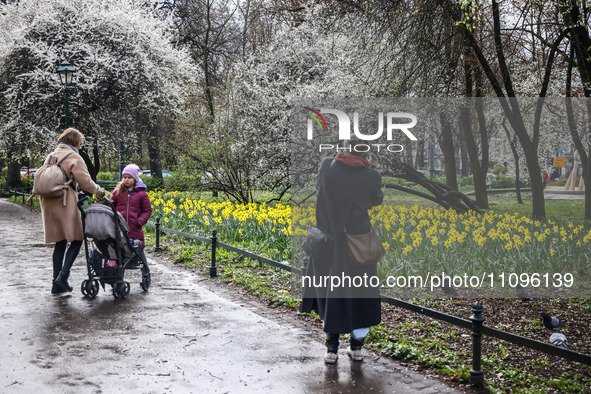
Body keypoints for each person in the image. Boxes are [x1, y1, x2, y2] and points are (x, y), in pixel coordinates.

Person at [301, 138, 383, 364]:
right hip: (358, 243)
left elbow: (320, 192)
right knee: (362, 295)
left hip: (328, 242)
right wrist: (368, 167)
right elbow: (376, 200)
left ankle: (331, 350)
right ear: (366, 153)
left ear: (344, 147)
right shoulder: (371, 175)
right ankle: (356, 349)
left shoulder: (327, 166)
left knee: (331, 292)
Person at [40, 128, 102, 294]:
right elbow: (86, 182)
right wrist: (99, 191)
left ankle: (56, 283)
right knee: (77, 238)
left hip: (48, 202)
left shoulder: (52, 155)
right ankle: (63, 276)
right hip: (65, 201)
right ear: (76, 142)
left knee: (60, 242)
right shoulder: (74, 157)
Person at [111, 164, 152, 285]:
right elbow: (111, 206)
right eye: (124, 177)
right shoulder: (117, 192)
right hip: (119, 229)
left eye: (129, 177)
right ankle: (119, 278)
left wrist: (139, 222)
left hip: (135, 229)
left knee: (139, 252)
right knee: (120, 253)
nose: (126, 180)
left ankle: (146, 275)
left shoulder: (141, 194)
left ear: (135, 179)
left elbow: (147, 210)